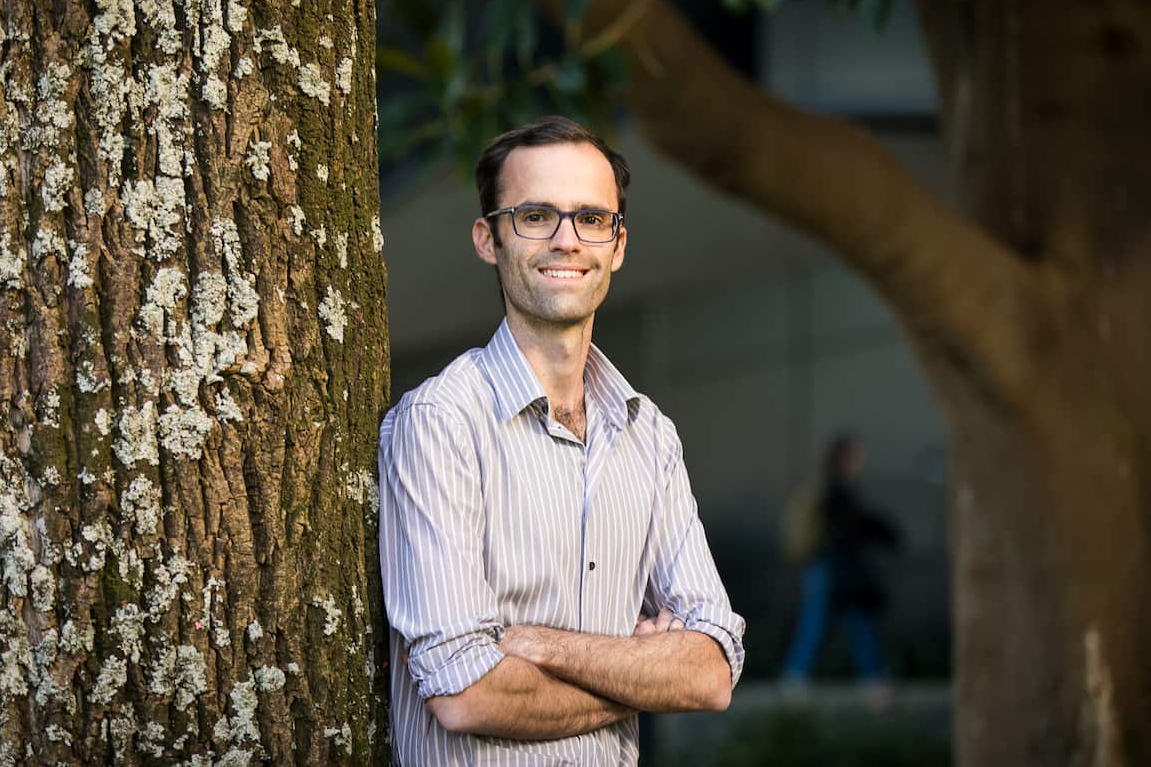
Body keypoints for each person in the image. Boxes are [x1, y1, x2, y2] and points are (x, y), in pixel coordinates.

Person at [378, 116, 746, 765]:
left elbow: (713, 669)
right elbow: (467, 694)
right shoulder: (441, 422)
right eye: (535, 215)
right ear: (488, 238)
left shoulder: (650, 436)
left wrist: (545, 645)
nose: (566, 239)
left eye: (591, 218)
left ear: (619, 242)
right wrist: (643, 671)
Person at [780, 433, 900, 687]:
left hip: (837, 570)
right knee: (820, 622)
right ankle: (796, 677)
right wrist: (883, 534)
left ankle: (871, 676)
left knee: (853, 621)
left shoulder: (838, 489)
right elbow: (852, 525)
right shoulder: (835, 491)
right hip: (832, 568)